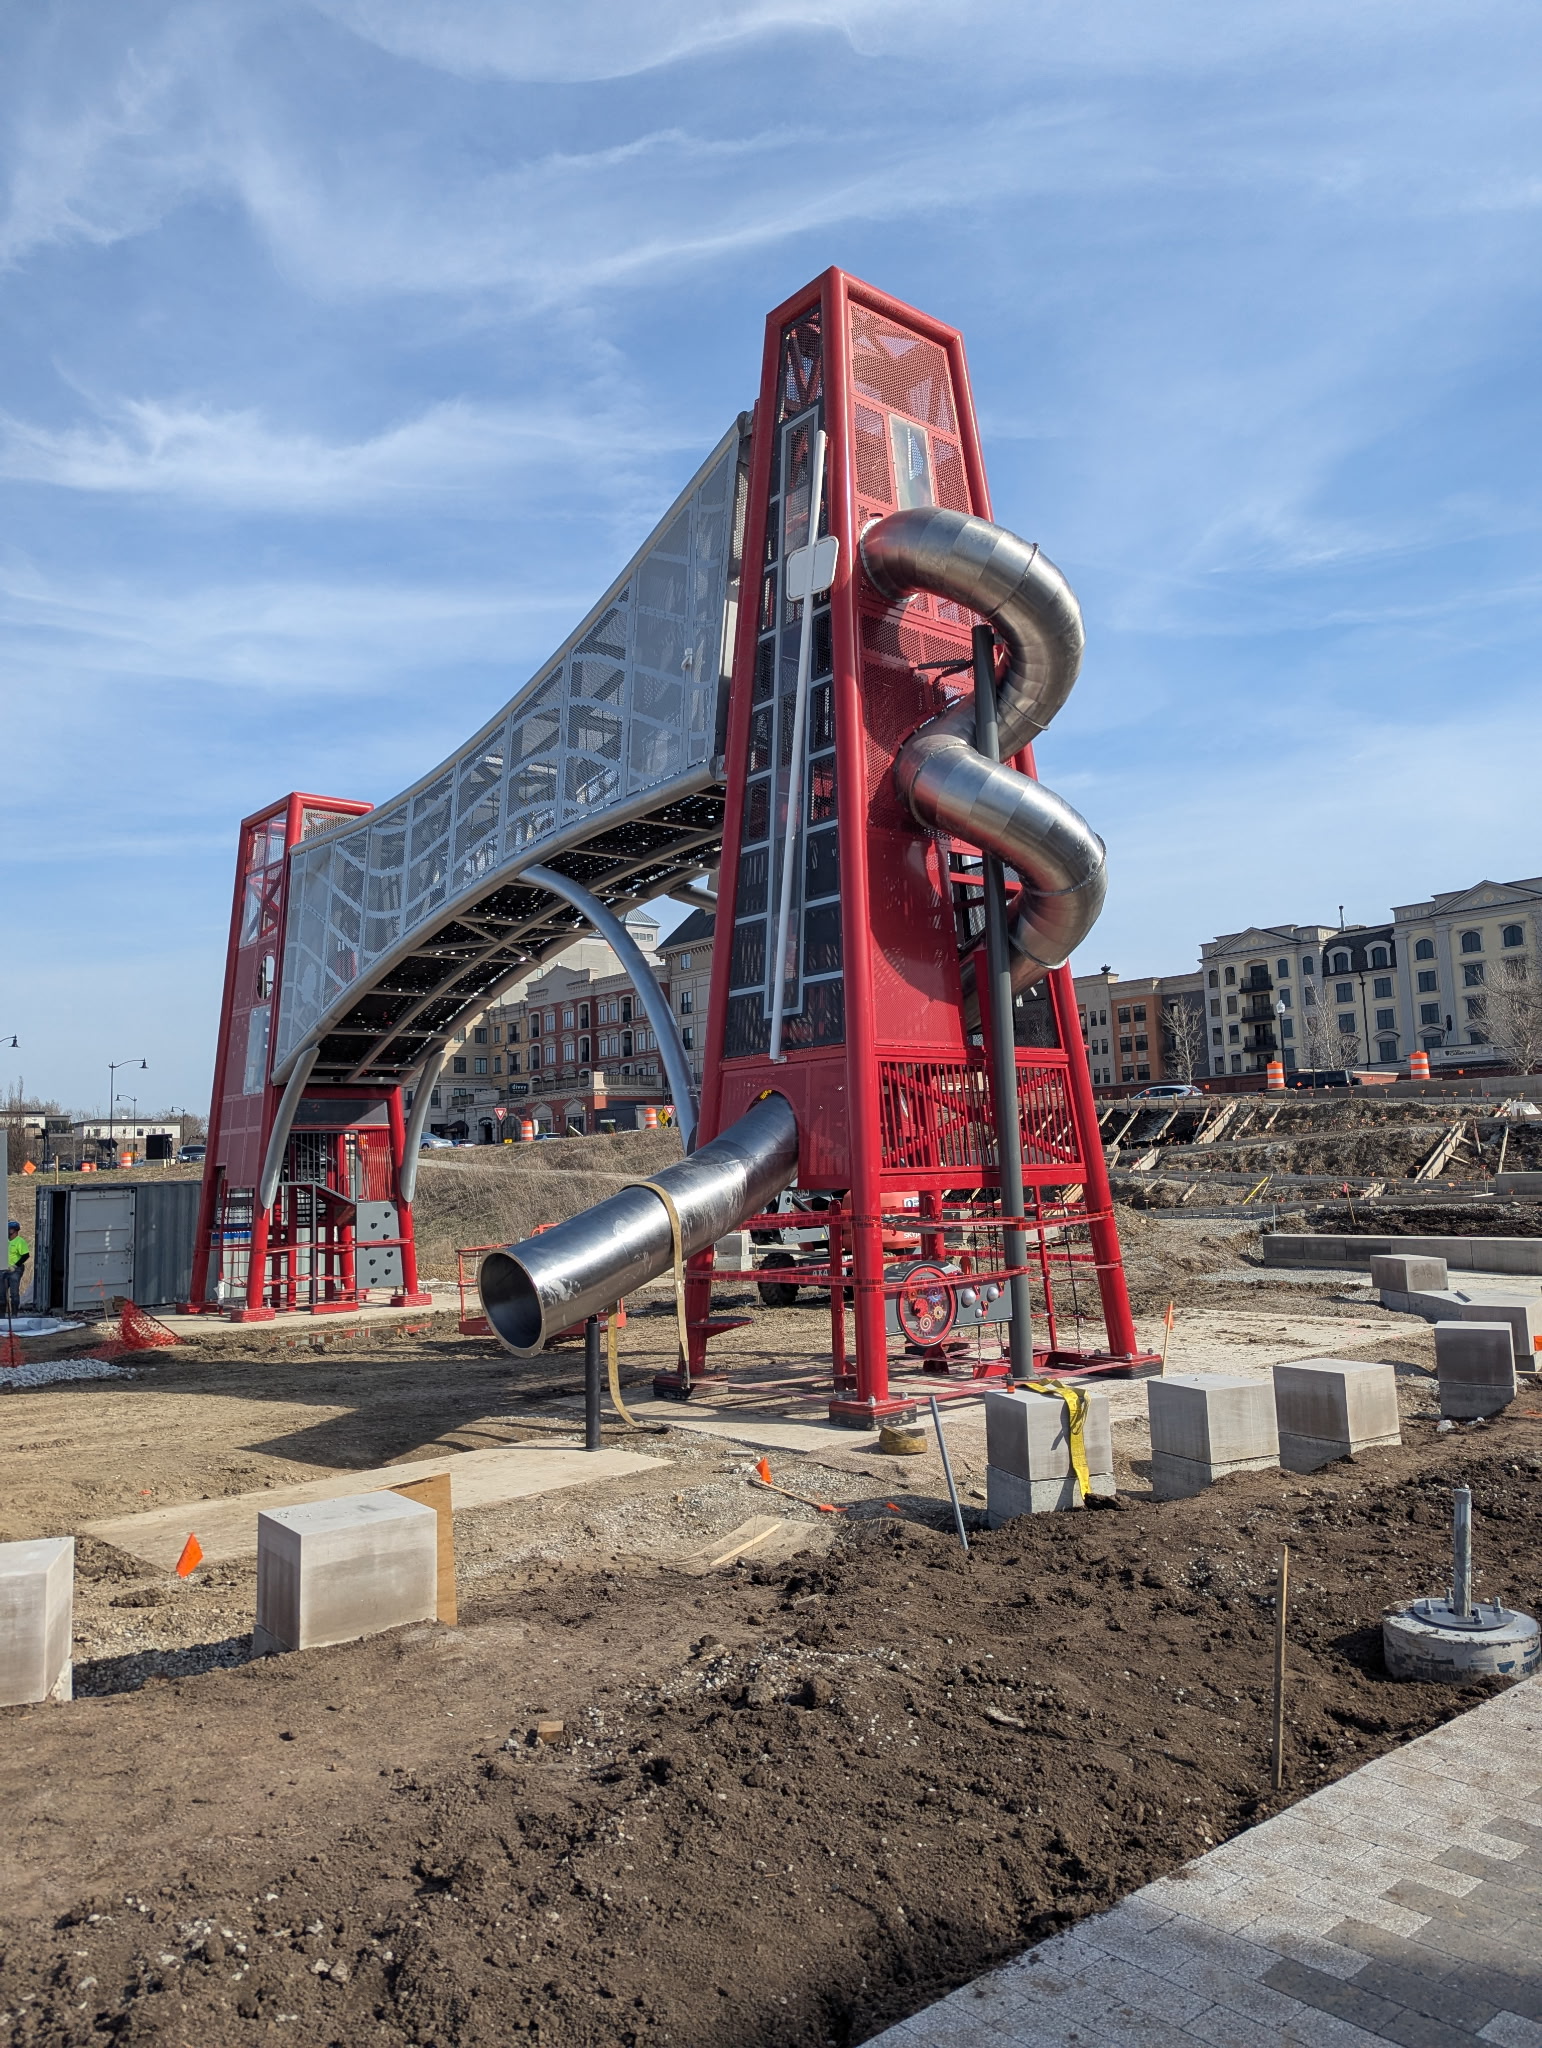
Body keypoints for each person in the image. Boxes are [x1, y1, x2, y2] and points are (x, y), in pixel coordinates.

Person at [3, 1220, 29, 1314]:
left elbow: (25, 1255)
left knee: (14, 1293)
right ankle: (2, 1314)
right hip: (4, 1269)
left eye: (9, 1229)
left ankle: (14, 1313)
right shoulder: (5, 1241)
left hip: (15, 1270)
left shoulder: (20, 1241)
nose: (8, 1231)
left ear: (15, 1230)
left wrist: (15, 1265)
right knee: (1, 1293)